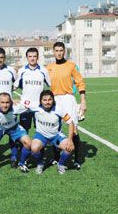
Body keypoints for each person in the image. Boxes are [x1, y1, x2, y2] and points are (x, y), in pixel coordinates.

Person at [46, 42, 86, 170]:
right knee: (54, 129)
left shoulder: (71, 65)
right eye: (56, 50)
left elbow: (80, 82)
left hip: (68, 99)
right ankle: (56, 157)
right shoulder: (49, 67)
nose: (59, 52)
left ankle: (77, 160)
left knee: (73, 129)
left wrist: (83, 101)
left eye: (61, 50)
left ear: (64, 52)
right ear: (53, 52)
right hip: (54, 100)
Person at [0, 92, 32, 174]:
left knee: (28, 143)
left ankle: (22, 163)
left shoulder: (17, 108)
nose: (5, 105)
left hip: (14, 128)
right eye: (2, 102)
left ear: (11, 102)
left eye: (7, 102)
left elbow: (33, 104)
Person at [30, 90, 75, 174]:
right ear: (40, 101)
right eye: (44, 100)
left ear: (53, 100)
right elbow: (21, 102)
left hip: (56, 136)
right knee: (34, 148)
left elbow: (71, 123)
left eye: (50, 99)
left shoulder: (59, 110)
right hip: (41, 135)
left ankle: (60, 164)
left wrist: (70, 140)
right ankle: (40, 164)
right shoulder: (35, 106)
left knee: (70, 148)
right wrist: (13, 101)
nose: (47, 102)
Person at [14, 47, 51, 133]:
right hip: (25, 106)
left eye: (34, 56)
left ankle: (40, 146)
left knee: (42, 130)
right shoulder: (22, 71)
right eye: (30, 56)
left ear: (38, 57)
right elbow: (15, 86)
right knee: (23, 130)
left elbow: (51, 86)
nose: (32, 58)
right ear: (27, 58)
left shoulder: (44, 71)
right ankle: (24, 146)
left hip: (39, 106)